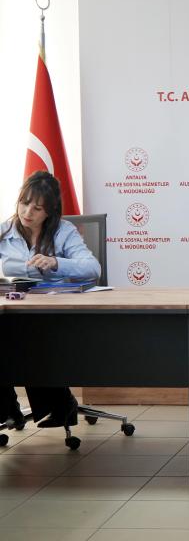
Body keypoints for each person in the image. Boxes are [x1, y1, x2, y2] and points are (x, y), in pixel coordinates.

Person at [0, 171, 101, 430]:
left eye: (37, 208)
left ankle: (59, 404)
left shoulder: (63, 232)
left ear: (50, 211)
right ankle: (8, 408)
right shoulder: (4, 231)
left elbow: (93, 268)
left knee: (28, 337)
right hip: (14, 308)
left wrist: (56, 262)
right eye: (24, 203)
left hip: (52, 311)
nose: (27, 212)